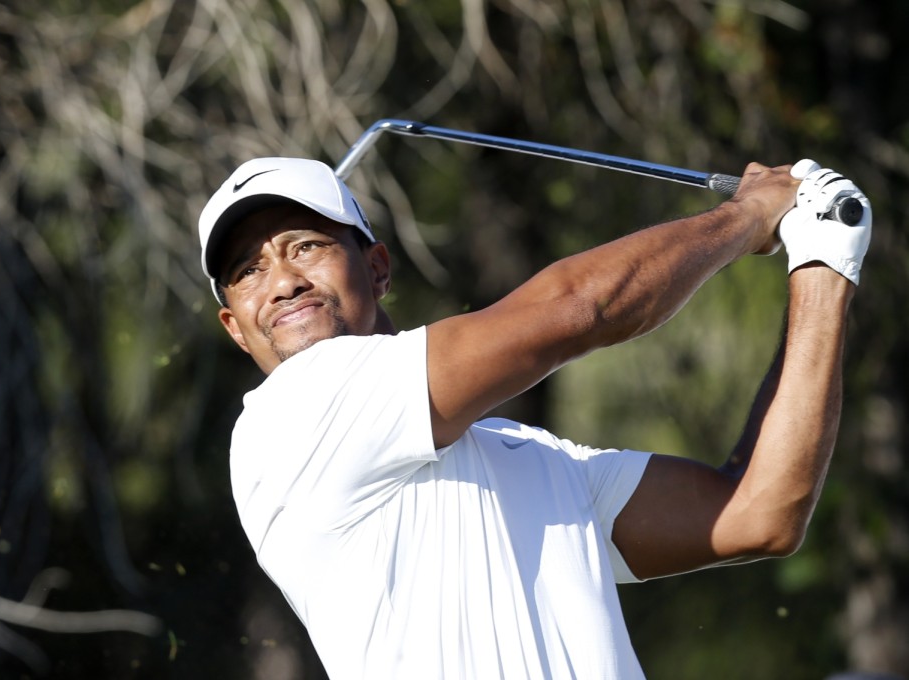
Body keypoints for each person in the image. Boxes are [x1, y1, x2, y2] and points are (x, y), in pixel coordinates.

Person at [196, 154, 871, 679]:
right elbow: (579, 308)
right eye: (248, 270)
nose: (281, 280)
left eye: (304, 245)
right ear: (234, 327)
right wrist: (748, 217)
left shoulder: (526, 454)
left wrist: (822, 261)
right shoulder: (291, 414)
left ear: (377, 267)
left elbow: (759, 511)